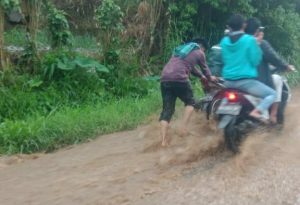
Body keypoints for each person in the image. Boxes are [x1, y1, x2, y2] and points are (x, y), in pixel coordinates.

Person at [159, 38, 216, 146]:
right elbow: (205, 69)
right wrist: (210, 78)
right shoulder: (199, 52)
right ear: (202, 47)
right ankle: (183, 128)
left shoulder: (180, 50)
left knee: (167, 111)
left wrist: (201, 76)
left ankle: (163, 141)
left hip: (164, 79)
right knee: (191, 102)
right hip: (180, 79)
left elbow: (192, 69)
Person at [220, 14, 276, 121]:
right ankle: (257, 112)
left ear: (230, 26)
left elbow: (224, 59)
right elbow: (256, 60)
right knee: (272, 94)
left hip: (227, 82)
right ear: (243, 25)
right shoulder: (249, 40)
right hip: (246, 83)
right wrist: (258, 44)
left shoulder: (224, 41)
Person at [245, 18, 296, 123]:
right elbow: (273, 57)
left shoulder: (236, 42)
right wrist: (286, 66)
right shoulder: (261, 44)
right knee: (276, 80)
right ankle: (273, 114)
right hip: (255, 82)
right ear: (257, 31)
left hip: (234, 81)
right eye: (260, 30)